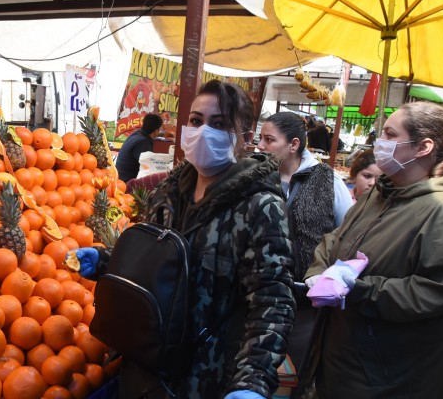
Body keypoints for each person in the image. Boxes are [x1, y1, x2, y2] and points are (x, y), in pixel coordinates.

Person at [74, 80, 296, 399]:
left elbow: (272, 302)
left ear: (246, 139)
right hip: (147, 368)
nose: (203, 131)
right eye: (196, 121)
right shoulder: (169, 192)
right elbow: (155, 266)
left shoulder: (260, 207)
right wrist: (107, 262)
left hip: (207, 379)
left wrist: (253, 382)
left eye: (219, 124)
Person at [303, 102, 443, 398]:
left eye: (390, 134)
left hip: (390, 377)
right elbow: (335, 239)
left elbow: (438, 291)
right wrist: (321, 271)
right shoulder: (379, 192)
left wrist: (360, 289)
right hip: (342, 359)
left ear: (422, 147)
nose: (380, 142)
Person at [256, 111, 353, 370]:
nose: (261, 146)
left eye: (269, 140)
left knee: (295, 371)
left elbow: (346, 232)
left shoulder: (327, 179)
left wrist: (329, 274)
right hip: (257, 297)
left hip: (305, 303)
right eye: (260, 139)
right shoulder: (255, 176)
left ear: (294, 144)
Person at [115, 113, 163, 182]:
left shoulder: (137, 134)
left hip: (120, 178)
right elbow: (148, 169)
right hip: (126, 184)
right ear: (156, 131)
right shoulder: (143, 143)